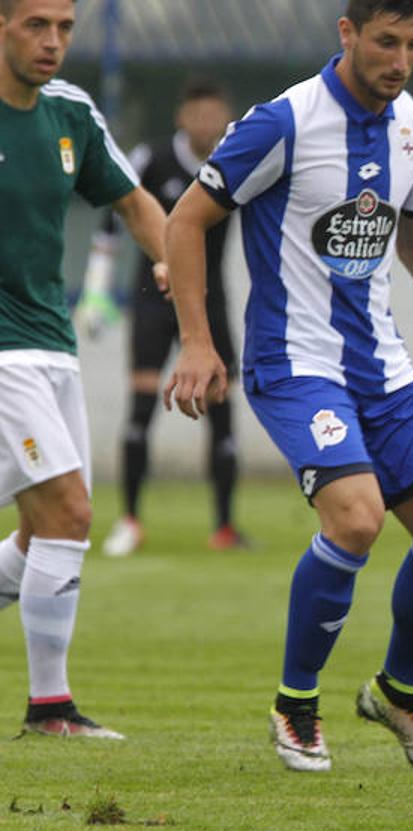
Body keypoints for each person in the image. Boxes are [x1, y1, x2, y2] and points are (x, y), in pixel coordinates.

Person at [162, 0, 413, 773]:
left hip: (382, 368)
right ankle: (294, 703)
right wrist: (200, 343)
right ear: (347, 34)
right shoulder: (283, 123)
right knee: (357, 519)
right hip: (294, 363)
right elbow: (185, 221)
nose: (400, 59)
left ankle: (398, 691)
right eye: (385, 42)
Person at [0, 0, 170, 737]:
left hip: (53, 348)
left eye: (65, 28)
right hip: (2, 355)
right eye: (36, 25)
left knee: (44, 538)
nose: (53, 43)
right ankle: (50, 709)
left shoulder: (69, 112)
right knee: (69, 513)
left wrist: (173, 265)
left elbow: (135, 203)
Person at [75, 80, 247, 557]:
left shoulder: (236, 160)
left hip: (211, 300)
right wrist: (96, 288)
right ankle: (130, 520)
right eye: (197, 114)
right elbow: (115, 217)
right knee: (143, 405)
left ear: (225, 117)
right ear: (181, 118)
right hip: (155, 298)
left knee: (223, 408)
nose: (206, 124)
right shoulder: (150, 158)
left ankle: (226, 526)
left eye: (216, 114)